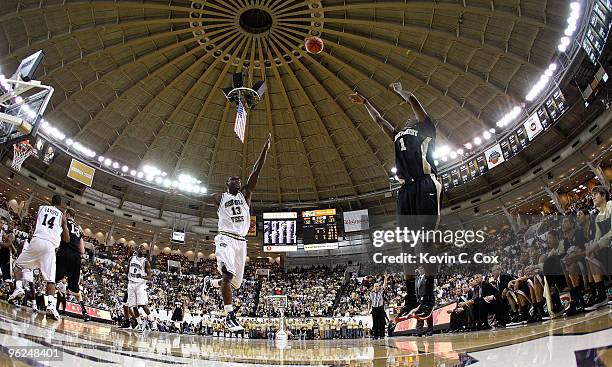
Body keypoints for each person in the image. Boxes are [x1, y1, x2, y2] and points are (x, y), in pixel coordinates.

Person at [350, 82, 441, 322]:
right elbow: (379, 121)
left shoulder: (426, 129)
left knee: (426, 240)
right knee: (406, 246)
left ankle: (429, 297)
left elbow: (415, 103)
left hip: (425, 183)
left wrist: (402, 92)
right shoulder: (399, 135)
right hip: (405, 189)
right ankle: (411, 298)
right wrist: (366, 102)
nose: (410, 120)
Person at [202, 134, 271, 332]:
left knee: (234, 283)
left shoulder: (245, 195)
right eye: (234, 180)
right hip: (225, 238)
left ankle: (210, 282)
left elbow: (256, 170)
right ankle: (229, 316)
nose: (238, 181)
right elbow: (198, 195)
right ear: (227, 183)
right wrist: (177, 192)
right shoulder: (219, 197)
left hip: (241, 242)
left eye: (239, 179)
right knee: (228, 274)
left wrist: (265, 149)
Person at [9, 194, 69, 320]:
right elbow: (66, 238)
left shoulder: (41, 208)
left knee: (18, 266)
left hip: (36, 241)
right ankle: (51, 306)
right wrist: (63, 228)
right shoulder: (61, 215)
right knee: (50, 279)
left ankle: (19, 288)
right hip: (50, 246)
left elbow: (35, 225)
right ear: (60, 204)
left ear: (50, 201)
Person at [54, 208, 90, 321]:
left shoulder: (64, 221)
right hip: (76, 257)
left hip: (65, 251)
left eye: (65, 213)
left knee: (52, 279)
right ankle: (85, 312)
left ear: (68, 214)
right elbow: (82, 250)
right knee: (75, 288)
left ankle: (50, 306)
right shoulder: (79, 228)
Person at [584, 185, 611, 310]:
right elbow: (597, 238)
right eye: (592, 194)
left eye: (595, 194)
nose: (592, 197)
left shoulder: (610, 205)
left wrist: (597, 244)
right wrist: (591, 247)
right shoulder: (598, 217)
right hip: (608, 246)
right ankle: (601, 295)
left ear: (604, 195)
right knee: (590, 255)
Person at [126, 245, 152, 332]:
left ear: (144, 251)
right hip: (131, 283)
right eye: (139, 247)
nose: (141, 249)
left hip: (140, 284)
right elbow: (127, 270)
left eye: (143, 248)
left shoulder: (145, 262)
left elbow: (149, 276)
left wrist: (141, 276)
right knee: (133, 306)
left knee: (142, 304)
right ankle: (140, 324)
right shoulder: (131, 258)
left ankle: (152, 322)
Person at [368, 274, 388, 339]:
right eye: (375, 286)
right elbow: (369, 301)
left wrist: (385, 278)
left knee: (382, 322)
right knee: (375, 322)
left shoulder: (381, 291)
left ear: (379, 287)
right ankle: (375, 335)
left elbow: (385, 286)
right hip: (374, 309)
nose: (376, 287)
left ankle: (382, 335)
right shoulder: (371, 293)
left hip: (380, 308)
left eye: (377, 286)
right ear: (374, 287)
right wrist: (368, 310)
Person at [0, 219, 17, 290]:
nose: (10, 226)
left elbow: (7, 245)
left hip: (7, 255)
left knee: (7, 276)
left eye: (12, 225)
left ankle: (13, 292)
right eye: (9, 224)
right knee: (3, 274)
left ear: (14, 227)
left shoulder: (12, 235)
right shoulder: (4, 233)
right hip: (2, 253)